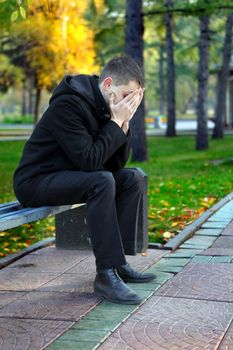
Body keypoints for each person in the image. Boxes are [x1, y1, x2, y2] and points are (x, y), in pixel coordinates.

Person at [13, 55, 156, 305]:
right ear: (109, 84)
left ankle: (118, 263)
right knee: (101, 181)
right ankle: (105, 275)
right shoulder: (68, 104)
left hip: (70, 175)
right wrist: (115, 122)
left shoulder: (106, 104)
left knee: (131, 177)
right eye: (127, 96)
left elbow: (115, 165)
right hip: (36, 181)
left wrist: (123, 124)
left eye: (135, 99)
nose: (129, 104)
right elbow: (90, 161)